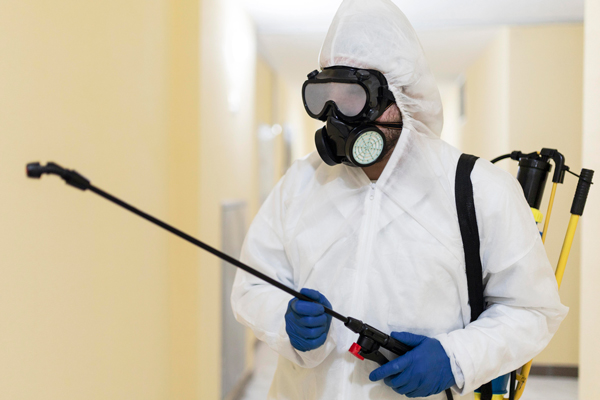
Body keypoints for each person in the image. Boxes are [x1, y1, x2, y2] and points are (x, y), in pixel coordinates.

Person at [231, 0, 567, 398]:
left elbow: (532, 310)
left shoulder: (479, 188)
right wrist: (284, 320)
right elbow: (253, 285)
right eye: (327, 97)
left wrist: (455, 358)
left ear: (401, 97)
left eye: (353, 97)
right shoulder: (302, 182)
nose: (338, 118)